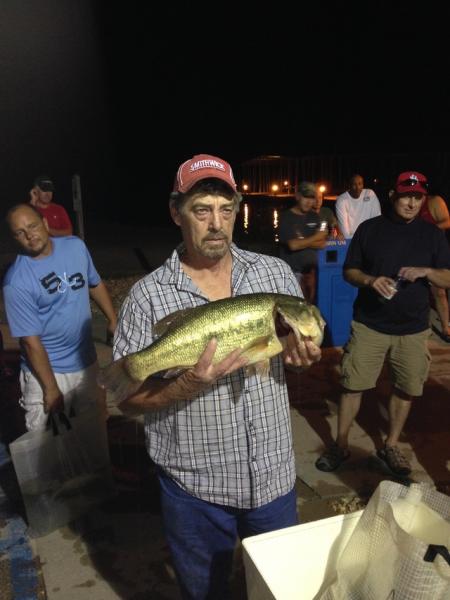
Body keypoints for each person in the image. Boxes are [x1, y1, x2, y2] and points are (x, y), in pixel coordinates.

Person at [112, 154, 321, 599]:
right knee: (208, 593)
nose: (216, 224)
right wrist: (189, 383)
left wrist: (302, 357)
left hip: (273, 477)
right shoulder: (146, 297)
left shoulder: (274, 273)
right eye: (201, 209)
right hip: (195, 489)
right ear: (176, 213)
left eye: (226, 211)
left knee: (282, 588)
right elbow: (127, 401)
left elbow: (289, 352)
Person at [315, 171, 450, 477]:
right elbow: (350, 271)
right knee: (352, 385)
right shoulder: (370, 229)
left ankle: (390, 444)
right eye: (406, 196)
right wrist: (371, 280)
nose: (412, 203)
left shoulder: (433, 235)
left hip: (413, 330)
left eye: (418, 197)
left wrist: (426, 271)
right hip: (369, 325)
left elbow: (447, 276)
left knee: (406, 389)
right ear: (393, 196)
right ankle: (341, 444)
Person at [3, 204, 117, 431]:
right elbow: (30, 342)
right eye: (20, 233)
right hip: (47, 371)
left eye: (32, 226)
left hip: (87, 363)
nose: (29, 235)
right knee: (47, 450)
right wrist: (50, 388)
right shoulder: (16, 282)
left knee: (93, 431)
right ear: (14, 239)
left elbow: (93, 283)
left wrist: (113, 319)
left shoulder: (75, 247)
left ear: (45, 223)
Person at [278, 181, 328, 303]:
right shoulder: (286, 217)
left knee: (309, 308)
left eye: (312, 198)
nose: (309, 202)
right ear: (298, 196)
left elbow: (322, 243)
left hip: (311, 273)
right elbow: (292, 245)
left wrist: (302, 241)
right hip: (292, 274)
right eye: (306, 197)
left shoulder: (314, 216)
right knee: (294, 310)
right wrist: (316, 237)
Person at [419, 188, 450, 342]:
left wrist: (427, 231)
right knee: (419, 291)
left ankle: (446, 328)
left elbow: (447, 221)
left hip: (436, 253)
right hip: (417, 253)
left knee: (440, 292)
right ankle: (424, 326)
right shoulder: (409, 205)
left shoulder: (435, 201)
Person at [335, 173, 381, 239]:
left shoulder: (370, 194)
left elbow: (377, 221)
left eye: (360, 184)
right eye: (354, 184)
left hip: (369, 239)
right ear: (349, 185)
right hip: (352, 241)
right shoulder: (341, 200)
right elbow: (345, 233)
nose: (357, 188)